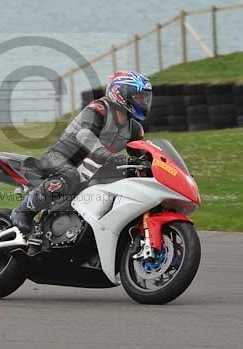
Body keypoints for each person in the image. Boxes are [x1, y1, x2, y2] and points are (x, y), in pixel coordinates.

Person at [11, 71, 152, 236]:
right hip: (60, 156)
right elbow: (85, 135)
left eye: (145, 98)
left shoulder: (135, 129)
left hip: (90, 166)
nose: (143, 102)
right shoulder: (98, 110)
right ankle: (24, 211)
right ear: (120, 94)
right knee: (69, 175)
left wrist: (155, 165)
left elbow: (141, 154)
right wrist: (108, 157)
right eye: (138, 97)